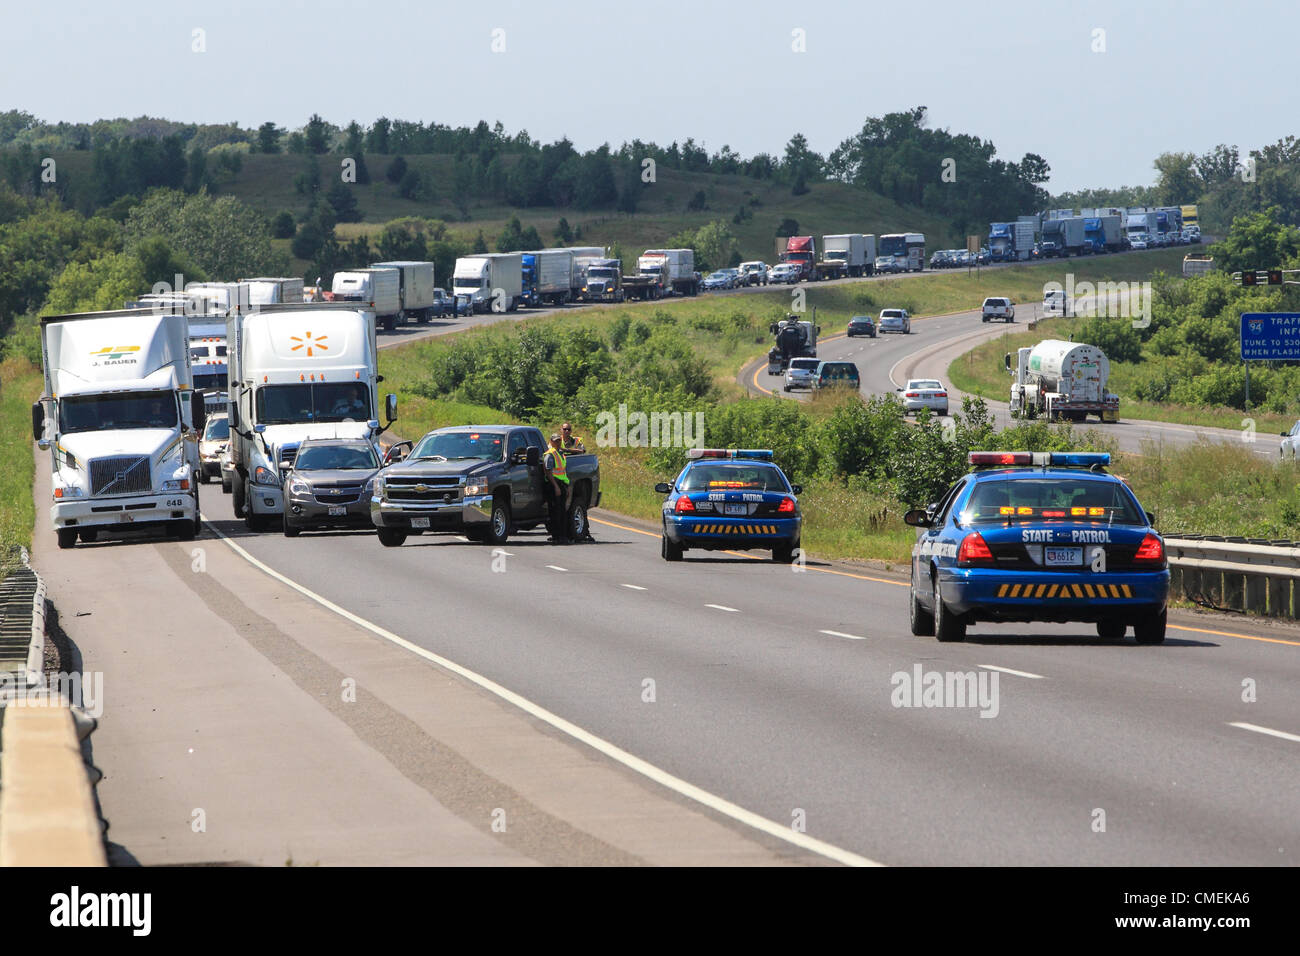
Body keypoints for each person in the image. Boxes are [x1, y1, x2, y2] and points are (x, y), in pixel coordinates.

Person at [543, 433, 572, 543]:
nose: (558, 442)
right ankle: (557, 536)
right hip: (554, 484)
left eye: (559, 440)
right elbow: (548, 472)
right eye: (556, 441)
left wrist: (567, 487)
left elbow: (563, 471)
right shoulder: (550, 454)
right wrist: (556, 487)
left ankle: (561, 536)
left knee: (561, 511)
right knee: (556, 512)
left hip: (562, 484)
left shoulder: (560, 453)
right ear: (551, 442)